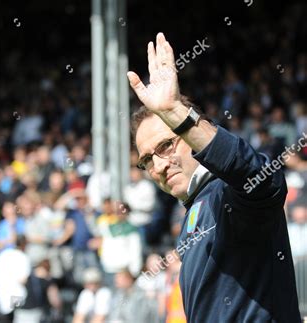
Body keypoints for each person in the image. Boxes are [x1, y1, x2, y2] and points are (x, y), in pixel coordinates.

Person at [127, 32, 301, 322]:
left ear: (193, 135)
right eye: (146, 160)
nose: (158, 165)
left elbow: (263, 181)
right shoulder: (194, 209)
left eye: (166, 145)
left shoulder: (228, 193)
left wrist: (175, 112)